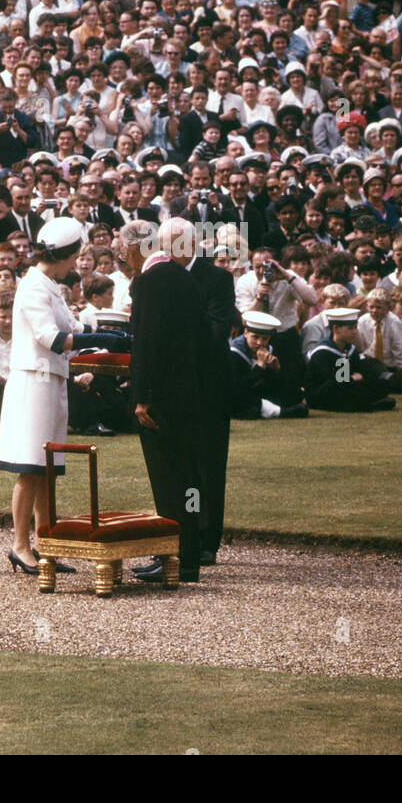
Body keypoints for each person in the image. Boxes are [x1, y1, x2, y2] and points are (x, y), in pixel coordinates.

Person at [0, 218, 124, 574]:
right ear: (65, 255)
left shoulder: (49, 284)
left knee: (47, 469)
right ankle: (20, 546)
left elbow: (75, 327)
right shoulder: (34, 286)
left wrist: (112, 332)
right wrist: (100, 340)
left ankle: (46, 544)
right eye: (74, 257)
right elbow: (52, 338)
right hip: (32, 382)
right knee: (30, 467)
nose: (75, 265)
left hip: (51, 380)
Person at [119, 219, 206, 583]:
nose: (123, 259)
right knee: (187, 476)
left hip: (163, 397)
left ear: (135, 248)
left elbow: (149, 344)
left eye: (123, 251)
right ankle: (187, 553)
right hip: (188, 390)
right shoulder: (182, 275)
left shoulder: (150, 281)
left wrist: (143, 396)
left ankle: (175, 555)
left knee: (168, 476)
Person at [162, 216, 235, 567]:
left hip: (207, 388)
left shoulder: (217, 278)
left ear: (190, 244)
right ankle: (181, 532)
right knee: (178, 466)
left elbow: (217, 333)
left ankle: (207, 537)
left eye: (173, 243)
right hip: (171, 389)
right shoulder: (156, 279)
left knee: (207, 466)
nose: (166, 251)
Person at [304, 308, 397, 413]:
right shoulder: (321, 352)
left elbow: (358, 373)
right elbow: (333, 382)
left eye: (355, 327)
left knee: (380, 385)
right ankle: (370, 404)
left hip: (346, 386)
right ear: (335, 329)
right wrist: (351, 378)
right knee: (346, 394)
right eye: (350, 328)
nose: (354, 332)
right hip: (322, 393)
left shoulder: (350, 348)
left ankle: (368, 402)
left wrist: (354, 378)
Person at [228, 310, 308, 419]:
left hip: (258, 393)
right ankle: (280, 413)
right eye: (255, 337)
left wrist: (276, 370)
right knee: (242, 400)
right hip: (237, 394)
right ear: (246, 333)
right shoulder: (233, 352)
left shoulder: (269, 349)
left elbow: (271, 383)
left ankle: (269, 410)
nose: (260, 343)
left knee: (295, 393)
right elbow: (240, 386)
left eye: (264, 338)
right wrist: (260, 366)